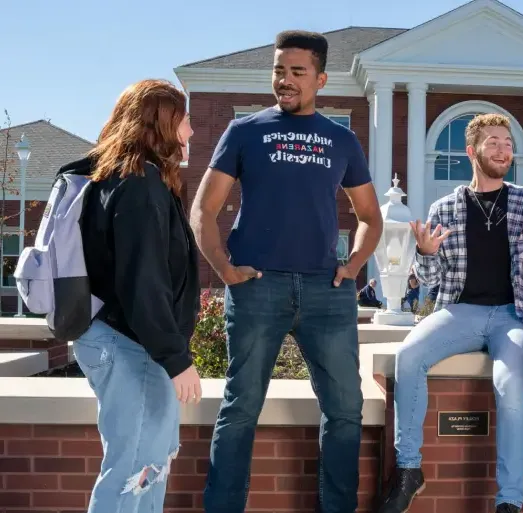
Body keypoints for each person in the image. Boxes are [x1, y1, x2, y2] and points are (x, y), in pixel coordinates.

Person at [190, 30, 383, 513]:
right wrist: (225, 270)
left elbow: (370, 216)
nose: (286, 80)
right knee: (239, 409)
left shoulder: (342, 140)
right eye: (279, 70)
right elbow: (203, 210)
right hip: (258, 288)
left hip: (326, 290)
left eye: (297, 72)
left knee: (345, 410)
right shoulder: (245, 132)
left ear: (320, 78)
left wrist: (354, 265)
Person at [378, 113, 523, 513]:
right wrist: (426, 254)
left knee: (509, 382)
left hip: (517, 315)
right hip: (460, 311)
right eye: (494, 143)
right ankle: (410, 470)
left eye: (507, 142)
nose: (503, 150)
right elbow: (428, 277)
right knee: (408, 357)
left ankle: (510, 501)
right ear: (473, 152)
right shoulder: (444, 207)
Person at [69, 79, 201, 513]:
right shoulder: (140, 184)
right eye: (184, 121)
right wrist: (174, 358)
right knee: (133, 476)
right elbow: (142, 281)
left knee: (145, 471)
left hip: (126, 343)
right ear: (161, 123)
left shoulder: (121, 177)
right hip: (133, 345)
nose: (191, 133)